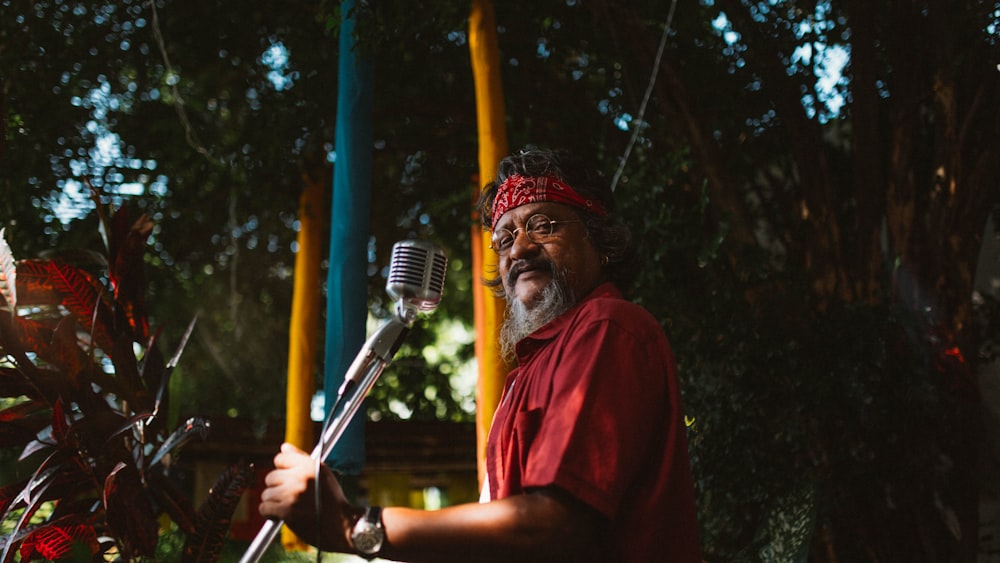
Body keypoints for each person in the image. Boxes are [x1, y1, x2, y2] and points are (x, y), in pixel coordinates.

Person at [258, 147, 701, 562]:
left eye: (544, 225)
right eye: (504, 239)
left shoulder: (607, 327)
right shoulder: (530, 369)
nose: (520, 249)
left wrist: (357, 526)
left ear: (600, 242)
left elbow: (553, 527)